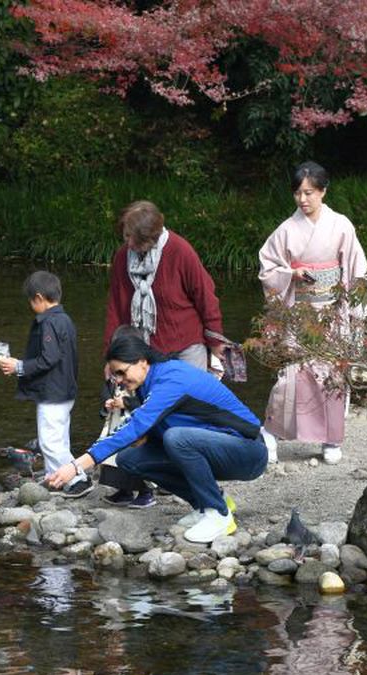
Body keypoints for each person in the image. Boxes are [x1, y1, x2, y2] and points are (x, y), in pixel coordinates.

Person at [46, 334, 268, 544]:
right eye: (116, 376)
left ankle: (218, 516)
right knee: (130, 458)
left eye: (122, 372)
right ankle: (208, 502)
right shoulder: (148, 384)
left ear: (142, 361)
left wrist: (77, 466)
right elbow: (142, 428)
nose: (120, 381)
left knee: (177, 438)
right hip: (219, 449)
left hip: (249, 452)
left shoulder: (172, 378)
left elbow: (135, 427)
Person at [258, 161, 367, 465]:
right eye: (297, 193)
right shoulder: (286, 230)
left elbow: (356, 269)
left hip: (333, 310)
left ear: (323, 191)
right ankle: (270, 432)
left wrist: (355, 311)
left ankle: (331, 439)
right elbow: (267, 268)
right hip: (300, 312)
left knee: (332, 373)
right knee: (292, 376)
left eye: (309, 192)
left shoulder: (342, 225)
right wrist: (291, 274)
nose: (302, 199)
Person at [0, 271, 93, 499]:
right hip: (67, 389)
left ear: (39, 298)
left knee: (49, 441)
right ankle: (55, 475)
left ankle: (77, 480)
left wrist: (19, 366)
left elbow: (49, 358)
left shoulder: (48, 322)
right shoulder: (65, 319)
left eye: (31, 301)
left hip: (53, 392)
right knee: (60, 436)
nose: (31, 306)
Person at [104, 200, 225, 372]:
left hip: (187, 347)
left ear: (150, 237)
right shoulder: (122, 257)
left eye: (134, 238)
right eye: (126, 236)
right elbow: (115, 308)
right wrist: (111, 355)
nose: (129, 243)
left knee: (192, 397)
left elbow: (205, 297)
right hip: (145, 349)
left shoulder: (180, 250)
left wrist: (215, 341)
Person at [97, 325, 156, 509]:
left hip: (135, 422)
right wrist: (107, 400)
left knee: (135, 454)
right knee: (113, 455)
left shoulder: (143, 373)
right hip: (116, 419)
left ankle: (146, 492)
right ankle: (124, 490)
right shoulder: (114, 370)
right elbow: (106, 388)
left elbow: (150, 403)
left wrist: (127, 403)